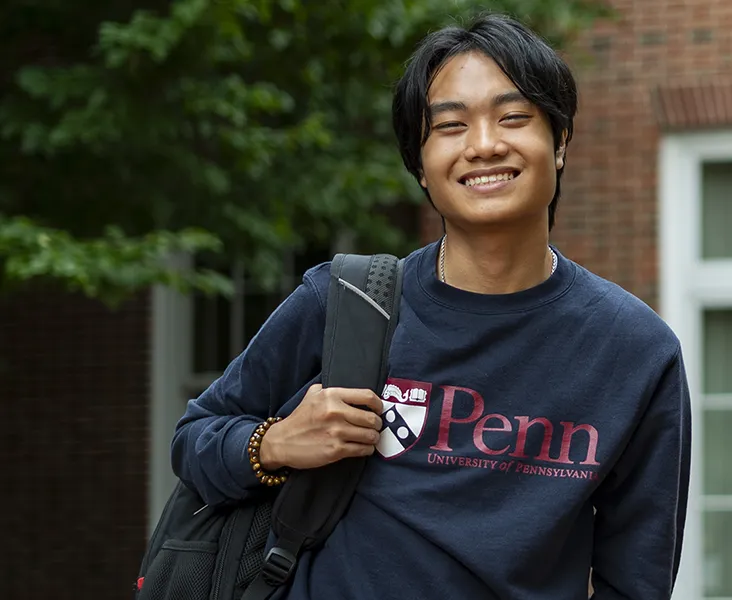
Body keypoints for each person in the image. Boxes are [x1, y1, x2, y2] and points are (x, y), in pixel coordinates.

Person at [171, 12, 693, 599]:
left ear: (561, 141)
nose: (485, 145)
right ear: (420, 165)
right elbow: (193, 440)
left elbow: (636, 579)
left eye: (514, 117)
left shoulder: (636, 352)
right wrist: (274, 443)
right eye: (449, 126)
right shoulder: (344, 302)